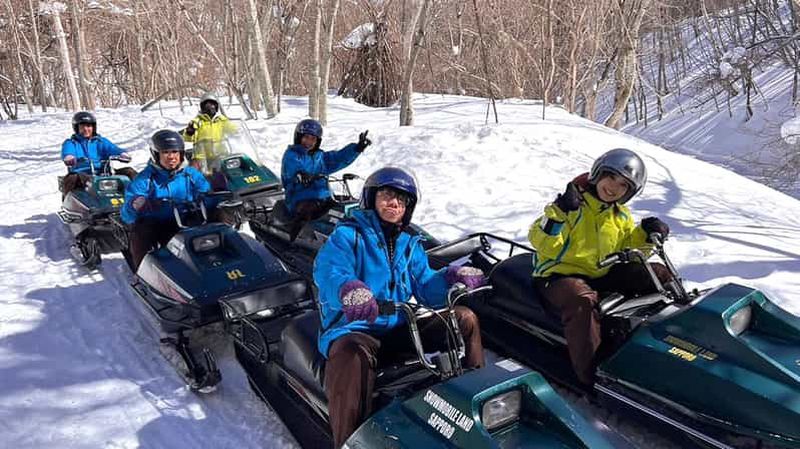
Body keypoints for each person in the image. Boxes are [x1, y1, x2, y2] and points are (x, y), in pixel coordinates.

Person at [313, 166, 487, 448]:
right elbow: (328, 271)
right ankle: (347, 441)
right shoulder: (348, 236)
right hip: (356, 329)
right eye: (387, 195)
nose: (394, 203)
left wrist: (451, 276)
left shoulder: (409, 243)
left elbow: (427, 286)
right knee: (352, 355)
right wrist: (349, 289)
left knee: (464, 319)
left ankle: (476, 398)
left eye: (402, 200)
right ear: (371, 198)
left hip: (399, 324)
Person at [528, 148, 673, 388]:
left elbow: (629, 252)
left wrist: (646, 235)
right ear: (598, 173)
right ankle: (591, 375)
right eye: (611, 178)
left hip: (600, 274)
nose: (614, 188)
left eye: (624, 186)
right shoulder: (570, 206)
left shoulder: (620, 215)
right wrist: (559, 213)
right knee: (582, 298)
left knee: (657, 273)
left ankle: (663, 340)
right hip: (556, 277)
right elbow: (541, 242)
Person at [121, 129, 212, 271]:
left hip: (187, 219)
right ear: (156, 155)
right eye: (166, 152)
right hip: (158, 224)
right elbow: (126, 215)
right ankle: (141, 272)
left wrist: (216, 195)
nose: (171, 157)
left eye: (175, 152)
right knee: (141, 231)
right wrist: (135, 204)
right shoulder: (145, 178)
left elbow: (206, 191)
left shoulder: (190, 174)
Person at [281, 119, 370, 241]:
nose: (309, 142)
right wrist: (301, 175)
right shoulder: (292, 155)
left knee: (340, 210)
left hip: (322, 196)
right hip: (299, 197)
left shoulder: (320, 157)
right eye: (306, 137)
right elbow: (292, 169)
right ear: (298, 137)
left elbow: (338, 158)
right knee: (306, 212)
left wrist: (357, 148)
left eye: (313, 139)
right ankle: (293, 240)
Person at [61, 111, 136, 198]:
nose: (86, 129)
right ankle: (68, 201)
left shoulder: (101, 141)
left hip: (104, 172)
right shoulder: (72, 143)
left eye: (89, 126)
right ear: (76, 128)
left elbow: (112, 149)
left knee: (129, 172)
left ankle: (142, 198)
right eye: (82, 126)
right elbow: (67, 151)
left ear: (93, 127)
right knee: (72, 178)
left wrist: (122, 154)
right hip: (82, 174)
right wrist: (69, 157)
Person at [181, 93, 238, 173]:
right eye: (207, 105)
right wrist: (189, 132)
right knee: (194, 174)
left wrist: (237, 130)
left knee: (230, 171)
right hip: (202, 156)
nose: (211, 107)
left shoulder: (221, 120)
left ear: (216, 106)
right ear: (202, 106)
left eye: (213, 104)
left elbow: (234, 130)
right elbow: (187, 138)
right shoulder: (197, 121)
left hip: (220, 153)